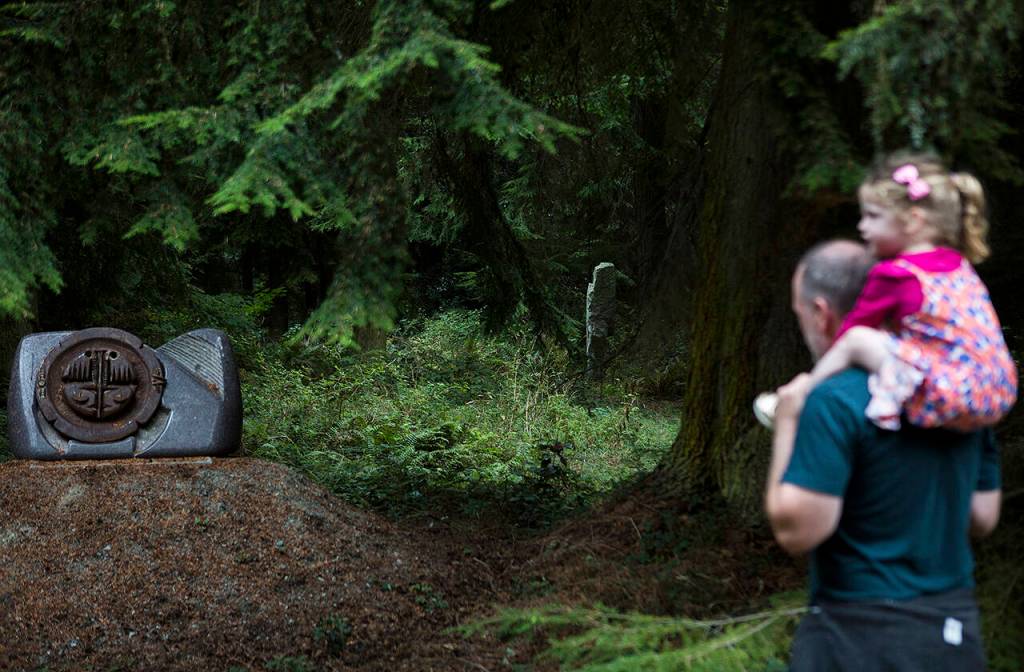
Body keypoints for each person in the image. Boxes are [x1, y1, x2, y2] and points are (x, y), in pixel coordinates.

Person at [764, 239, 1002, 671]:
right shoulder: (957, 396)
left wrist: (787, 423)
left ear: (821, 314)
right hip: (952, 634)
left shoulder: (834, 400)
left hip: (857, 638)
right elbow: (983, 515)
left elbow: (799, 529)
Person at [756, 153, 1017, 432]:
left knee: (856, 340)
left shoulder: (895, 275)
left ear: (913, 220)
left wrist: (830, 368)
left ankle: (803, 399)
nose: (862, 227)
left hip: (950, 392)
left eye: (872, 216)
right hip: (997, 391)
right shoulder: (956, 263)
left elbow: (851, 333)